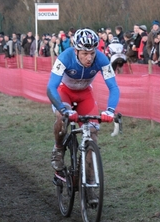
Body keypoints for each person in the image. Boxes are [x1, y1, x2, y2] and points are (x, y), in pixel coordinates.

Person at [47, 28, 120, 174]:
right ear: (76, 51)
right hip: (65, 92)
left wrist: (110, 110)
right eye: (85, 54)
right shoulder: (65, 57)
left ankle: (90, 182)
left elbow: (114, 87)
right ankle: (58, 148)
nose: (89, 58)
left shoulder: (101, 59)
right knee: (62, 119)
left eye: (92, 53)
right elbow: (51, 87)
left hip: (85, 94)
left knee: (92, 132)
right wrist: (63, 109)